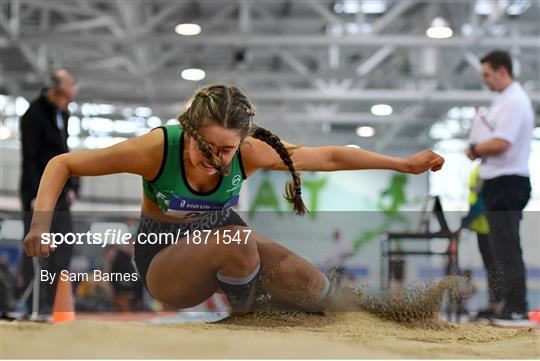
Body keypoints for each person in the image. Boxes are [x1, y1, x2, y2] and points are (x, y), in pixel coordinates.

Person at [22, 84, 444, 313]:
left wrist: (402, 164)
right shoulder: (156, 149)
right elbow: (62, 163)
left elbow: (330, 155)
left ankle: (355, 313)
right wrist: (40, 226)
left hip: (224, 243)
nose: (214, 159)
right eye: (204, 147)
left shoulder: (250, 151)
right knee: (239, 241)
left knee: (314, 287)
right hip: (164, 261)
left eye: (225, 151)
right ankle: (245, 316)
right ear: (187, 130)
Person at [466, 50, 533, 323]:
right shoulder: (504, 101)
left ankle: (516, 306)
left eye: (487, 75)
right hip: (498, 182)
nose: (485, 81)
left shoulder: (515, 101)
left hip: (509, 181)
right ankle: (505, 304)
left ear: (502, 71)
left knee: (506, 247)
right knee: (498, 248)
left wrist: (474, 147)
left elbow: (502, 142)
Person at [18, 69, 79, 317]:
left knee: (63, 249)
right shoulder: (33, 115)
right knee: (36, 249)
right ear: (58, 88)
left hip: (61, 196)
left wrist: (73, 187)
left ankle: (52, 304)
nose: (74, 89)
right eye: (71, 84)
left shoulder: (63, 113)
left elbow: (67, 153)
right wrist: (35, 195)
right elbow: (30, 159)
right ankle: (32, 305)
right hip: (38, 196)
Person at [460, 164, 496, 320]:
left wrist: (465, 223)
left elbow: (481, 201)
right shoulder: (482, 168)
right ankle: (495, 304)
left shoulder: (485, 170)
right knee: (492, 267)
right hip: (483, 227)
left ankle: (496, 305)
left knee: (494, 266)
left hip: (487, 226)